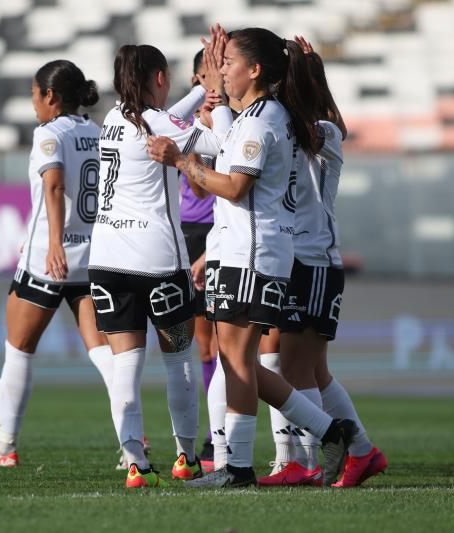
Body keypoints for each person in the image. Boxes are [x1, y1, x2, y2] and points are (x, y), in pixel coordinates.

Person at [148, 27, 357, 488]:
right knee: (235, 361)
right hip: (243, 250)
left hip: (254, 253)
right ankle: (322, 433)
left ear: (256, 70)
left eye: (228, 63)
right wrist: (210, 102)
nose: (221, 70)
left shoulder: (263, 120)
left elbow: (235, 186)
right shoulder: (253, 116)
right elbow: (219, 148)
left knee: (241, 362)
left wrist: (181, 162)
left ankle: (241, 467)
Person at [89, 41, 232, 488]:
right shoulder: (161, 124)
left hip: (106, 262)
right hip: (157, 262)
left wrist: (196, 96)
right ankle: (186, 457)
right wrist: (219, 100)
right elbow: (224, 143)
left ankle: (136, 464)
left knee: (126, 366)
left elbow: (166, 118)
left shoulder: (112, 119)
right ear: (158, 79)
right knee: (180, 361)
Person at [0, 60, 113, 467]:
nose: (33, 102)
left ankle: (4, 446)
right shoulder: (95, 132)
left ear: (51, 96)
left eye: (34, 93)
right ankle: (134, 438)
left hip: (52, 258)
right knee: (101, 349)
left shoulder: (49, 133)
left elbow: (55, 183)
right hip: (91, 252)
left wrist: (53, 245)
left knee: (18, 346)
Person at [258, 36, 388, 487]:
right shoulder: (312, 127)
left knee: (294, 368)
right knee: (313, 370)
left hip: (310, 262)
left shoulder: (312, 131)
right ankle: (363, 451)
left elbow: (320, 121)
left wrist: (303, 69)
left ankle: (309, 463)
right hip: (306, 260)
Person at [178, 48, 220, 469]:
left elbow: (206, 189)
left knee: (218, 343)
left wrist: (183, 159)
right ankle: (209, 436)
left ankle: (218, 437)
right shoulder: (184, 124)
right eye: (202, 80)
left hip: (215, 236)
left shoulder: (221, 126)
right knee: (200, 347)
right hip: (185, 237)